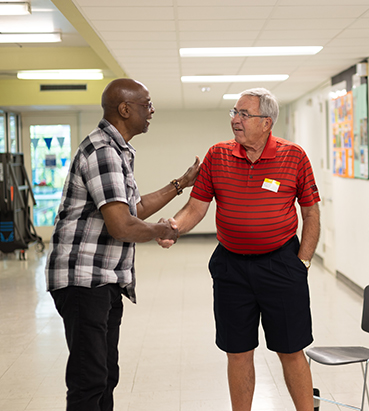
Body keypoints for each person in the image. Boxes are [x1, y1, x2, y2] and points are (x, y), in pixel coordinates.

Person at [158, 88, 320, 411]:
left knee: (291, 349)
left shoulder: (294, 156)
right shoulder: (218, 155)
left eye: (245, 115)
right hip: (232, 267)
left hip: (281, 265)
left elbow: (312, 212)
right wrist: (174, 227)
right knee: (238, 350)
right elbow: (196, 206)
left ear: (267, 123)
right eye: (234, 112)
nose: (236, 120)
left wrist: (302, 262)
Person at [45, 78, 200, 411]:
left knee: (105, 374)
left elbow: (133, 209)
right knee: (89, 378)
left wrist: (180, 184)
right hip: (83, 279)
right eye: (147, 104)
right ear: (125, 109)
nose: (152, 110)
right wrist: (164, 230)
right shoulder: (102, 151)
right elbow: (121, 225)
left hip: (105, 279)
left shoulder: (116, 150)